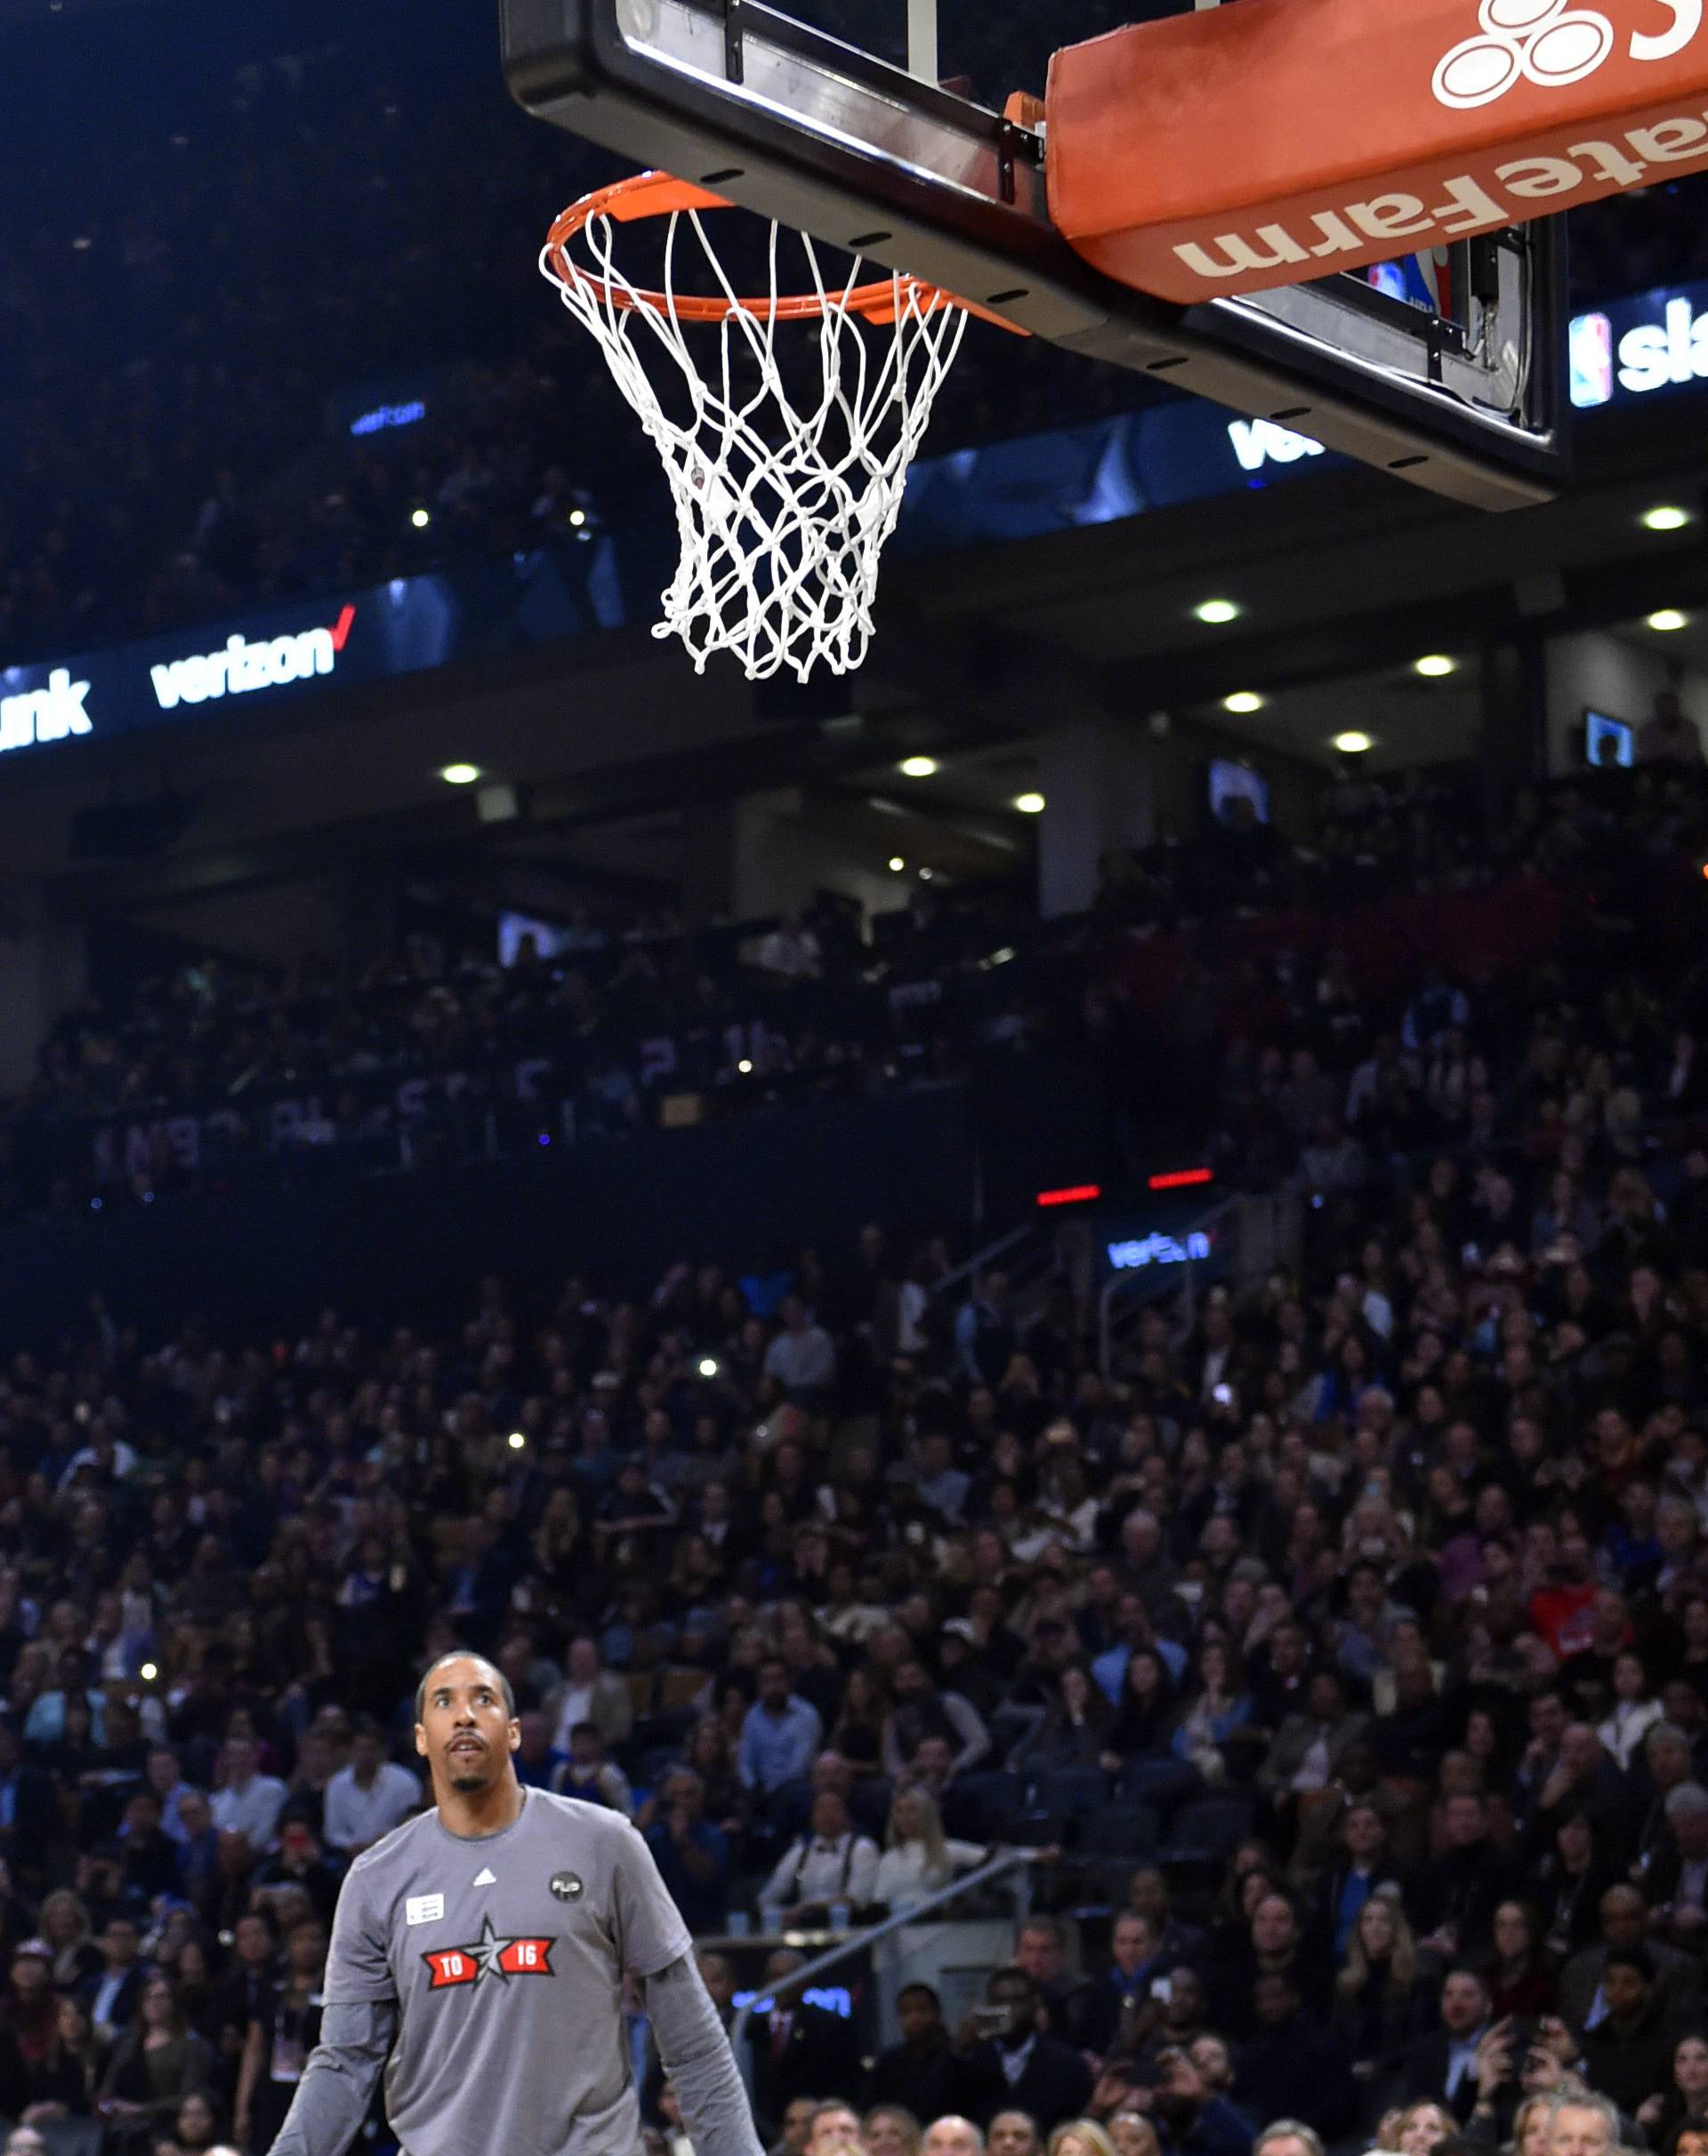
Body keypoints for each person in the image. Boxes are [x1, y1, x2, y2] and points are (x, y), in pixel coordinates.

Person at [266, 1648, 762, 2156]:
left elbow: (694, 2044)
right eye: (443, 1702)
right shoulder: (376, 1878)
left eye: (484, 1699)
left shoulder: (604, 1842)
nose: (464, 1714)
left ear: (515, 1731)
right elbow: (345, 2061)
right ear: (421, 1739)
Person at [957, 1967, 1093, 2136]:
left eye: (1017, 2000)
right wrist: (958, 2051)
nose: (1008, 2009)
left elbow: (1077, 2127)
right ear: (989, 2006)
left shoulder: (1067, 2063)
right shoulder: (970, 2060)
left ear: (1035, 2005)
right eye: (999, 2001)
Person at [758, 1790, 880, 1927]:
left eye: (834, 1808)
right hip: (803, 1929)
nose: (827, 1815)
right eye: (821, 1808)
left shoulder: (863, 1848)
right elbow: (768, 1896)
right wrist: (779, 1913)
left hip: (847, 1930)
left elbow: (857, 1900)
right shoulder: (800, 1850)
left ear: (847, 1815)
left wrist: (808, 1906)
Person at [320, 1718, 422, 1855]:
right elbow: (334, 1832)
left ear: (383, 1751)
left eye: (371, 1749)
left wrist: (384, 1840)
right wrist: (352, 1845)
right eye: (359, 1749)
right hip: (349, 1857)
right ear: (350, 1751)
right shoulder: (337, 1785)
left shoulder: (404, 1782)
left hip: (395, 1853)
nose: (365, 1755)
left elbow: (413, 1824)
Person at [874, 1790, 985, 1914]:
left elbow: (997, 1858)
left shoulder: (947, 1849)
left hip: (937, 1926)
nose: (905, 1817)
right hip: (898, 1926)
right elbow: (880, 1900)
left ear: (927, 1814)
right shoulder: (889, 1858)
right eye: (899, 1811)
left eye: (912, 1809)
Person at [868, 1984, 966, 2125]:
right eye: (906, 2012)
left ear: (937, 2013)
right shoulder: (889, 2061)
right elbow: (872, 2108)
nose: (914, 2018)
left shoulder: (957, 2053)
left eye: (922, 2010)